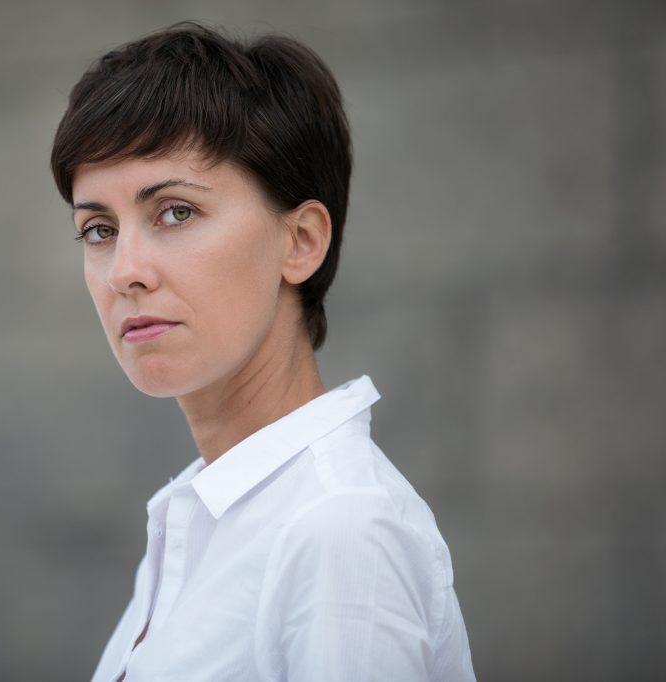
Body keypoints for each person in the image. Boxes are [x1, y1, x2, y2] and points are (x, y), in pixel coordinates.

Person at [50, 22, 475, 682]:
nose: (125, 271)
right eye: (99, 229)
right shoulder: (200, 522)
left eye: (175, 212)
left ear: (301, 241)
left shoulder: (338, 529)